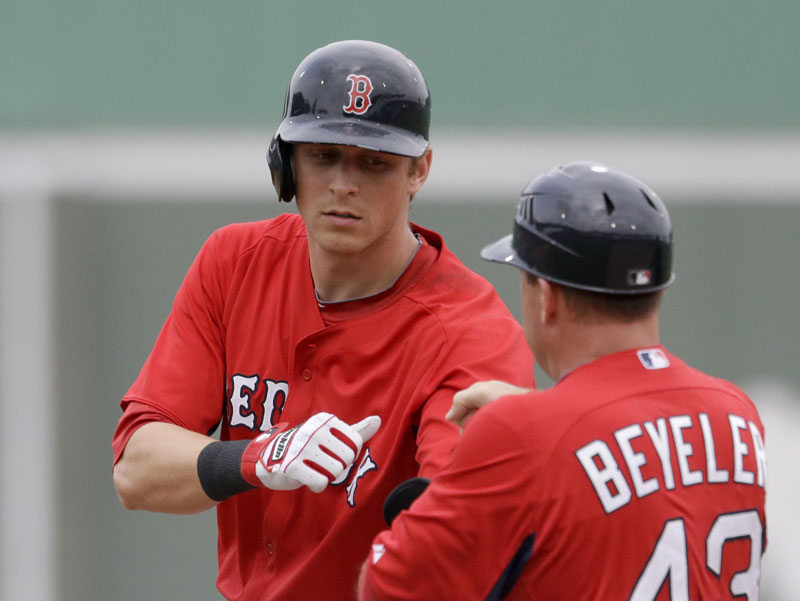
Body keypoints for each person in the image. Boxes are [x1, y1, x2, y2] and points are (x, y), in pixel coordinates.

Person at [111, 39, 534, 601]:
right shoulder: (234, 263)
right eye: (323, 155)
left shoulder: (467, 331)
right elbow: (136, 470)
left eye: (374, 162)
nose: (343, 184)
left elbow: (461, 525)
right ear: (286, 163)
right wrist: (258, 458)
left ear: (419, 170)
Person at [359, 161, 767, 600]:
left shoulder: (524, 435)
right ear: (657, 291)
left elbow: (387, 587)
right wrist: (543, 417)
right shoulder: (737, 413)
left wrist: (466, 477)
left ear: (546, 298)